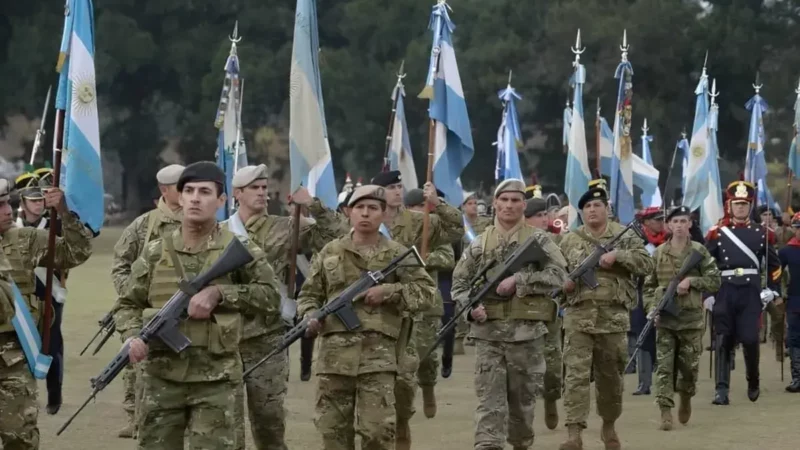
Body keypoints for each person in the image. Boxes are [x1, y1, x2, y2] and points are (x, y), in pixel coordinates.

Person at [114, 161, 281, 449]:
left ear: (221, 201)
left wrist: (221, 293)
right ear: (178, 198)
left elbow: (272, 297)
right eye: (188, 191)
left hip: (216, 380)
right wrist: (131, 336)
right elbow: (127, 303)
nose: (194, 198)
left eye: (204, 192)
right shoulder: (156, 252)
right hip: (161, 379)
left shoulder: (240, 248)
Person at [297, 184, 436, 450]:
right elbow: (309, 295)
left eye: (373, 208)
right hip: (333, 362)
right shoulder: (330, 252)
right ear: (348, 212)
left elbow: (428, 294)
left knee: (378, 434)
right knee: (333, 434)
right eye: (359, 207)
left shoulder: (397, 253)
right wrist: (309, 315)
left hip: (379, 360)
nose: (365, 214)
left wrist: (390, 291)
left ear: (384, 213)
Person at [222, 164, 334, 450]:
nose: (262, 193)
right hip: (225, 338)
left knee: (269, 421)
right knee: (225, 424)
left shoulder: (288, 226)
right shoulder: (221, 232)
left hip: (268, 336)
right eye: (254, 188)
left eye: (264, 188)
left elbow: (335, 238)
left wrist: (313, 206)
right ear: (237, 193)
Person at [453, 179, 567, 450]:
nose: (509, 205)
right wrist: (470, 309)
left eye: (515, 201)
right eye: (503, 200)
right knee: (488, 406)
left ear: (523, 205)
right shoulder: (480, 244)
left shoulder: (539, 240)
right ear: (494, 203)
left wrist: (521, 280)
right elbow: (459, 285)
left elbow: (560, 274)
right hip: (488, 336)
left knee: (522, 409)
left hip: (526, 337)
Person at [558, 184, 654, 450]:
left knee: (610, 377)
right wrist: (564, 282)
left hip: (613, 319)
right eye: (587, 206)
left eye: (597, 205)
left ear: (607, 210)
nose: (592, 210)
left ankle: (609, 425)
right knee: (575, 376)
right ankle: (574, 432)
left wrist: (619, 256)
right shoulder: (570, 239)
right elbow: (555, 272)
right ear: (581, 212)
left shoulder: (624, 236)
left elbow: (647, 264)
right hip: (578, 317)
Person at [0, 176, 93, 449]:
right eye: (0, 206)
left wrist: (64, 212)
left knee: (20, 438)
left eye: (8, 203)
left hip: (13, 361)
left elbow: (76, 253)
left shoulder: (25, 240)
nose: (8, 211)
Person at [110, 163, 184, 438]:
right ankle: (135, 416)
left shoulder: (200, 221)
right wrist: (134, 294)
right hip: (146, 312)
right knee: (135, 364)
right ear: (165, 190)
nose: (189, 192)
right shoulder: (144, 225)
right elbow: (120, 264)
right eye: (181, 187)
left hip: (187, 312)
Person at [643, 206, 720, 430]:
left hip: (691, 320)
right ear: (668, 225)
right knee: (665, 368)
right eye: (674, 221)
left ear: (689, 225)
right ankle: (665, 411)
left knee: (688, 368)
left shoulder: (699, 251)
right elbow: (648, 287)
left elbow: (715, 281)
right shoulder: (658, 254)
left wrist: (692, 282)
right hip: (665, 320)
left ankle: (685, 397)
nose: (678, 225)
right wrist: (651, 310)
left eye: (683, 221)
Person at [705, 180, 781, 405]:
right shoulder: (717, 233)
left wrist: (772, 289)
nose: (740, 208)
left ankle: (753, 380)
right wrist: (708, 293)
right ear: (729, 205)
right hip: (725, 289)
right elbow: (708, 265)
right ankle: (721, 390)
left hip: (751, 290)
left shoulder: (762, 233)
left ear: (750, 207)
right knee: (723, 339)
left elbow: (774, 266)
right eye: (736, 204)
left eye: (745, 204)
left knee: (749, 339)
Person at [14, 170, 68, 414]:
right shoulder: (11, 225)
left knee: (51, 343)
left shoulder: (55, 224)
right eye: (33, 200)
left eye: (41, 200)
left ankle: (54, 394)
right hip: (18, 293)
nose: (38, 204)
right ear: (23, 201)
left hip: (50, 292)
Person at [403, 188, 456, 415]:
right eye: (414, 209)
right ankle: (405, 403)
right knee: (406, 357)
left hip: (427, 302)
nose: (419, 214)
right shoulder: (398, 232)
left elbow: (448, 258)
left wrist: (425, 258)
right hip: (402, 301)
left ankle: (428, 388)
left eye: (422, 209)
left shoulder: (434, 232)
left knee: (426, 354)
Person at [523, 195, 565, 430]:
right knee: (522, 367)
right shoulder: (516, 242)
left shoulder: (557, 242)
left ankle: (550, 401)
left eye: (544, 215)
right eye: (537, 216)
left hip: (548, 312)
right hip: (521, 313)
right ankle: (523, 413)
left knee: (552, 365)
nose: (542, 219)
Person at [629, 207, 665, 394]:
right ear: (646, 223)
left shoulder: (669, 240)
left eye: (662, 219)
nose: (661, 223)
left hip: (665, 292)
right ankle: (644, 382)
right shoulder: (637, 243)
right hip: (642, 293)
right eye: (657, 220)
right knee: (642, 337)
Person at [756, 206, 787, 357]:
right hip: (754, 283)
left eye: (769, 214)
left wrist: (775, 288)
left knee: (778, 315)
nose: (767, 217)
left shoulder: (778, 233)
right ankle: (758, 337)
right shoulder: (754, 232)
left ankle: (779, 345)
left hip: (772, 281)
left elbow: (778, 261)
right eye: (764, 214)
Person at [779, 212, 800, 393]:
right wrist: (778, 293)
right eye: (799, 228)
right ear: (794, 229)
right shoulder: (786, 250)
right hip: (795, 300)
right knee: (794, 339)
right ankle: (797, 377)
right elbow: (776, 274)